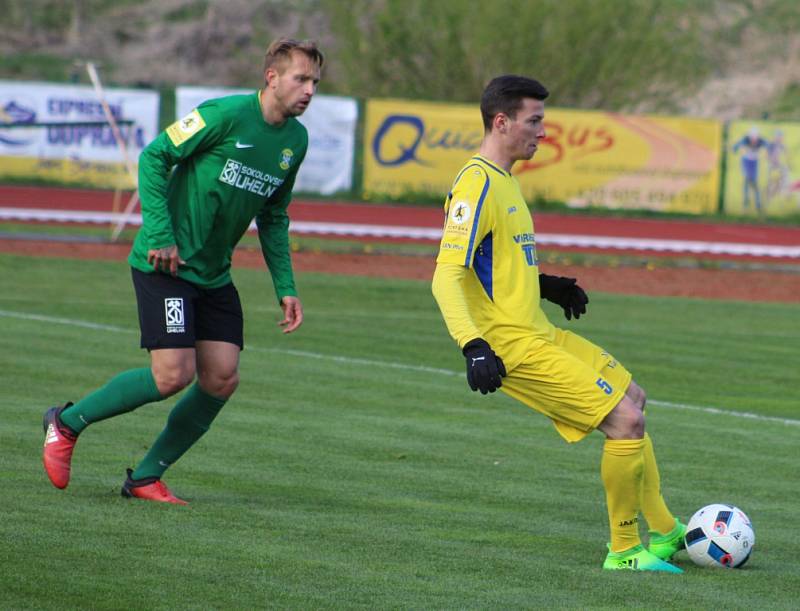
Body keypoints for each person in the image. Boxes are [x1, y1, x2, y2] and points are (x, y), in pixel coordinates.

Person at [42, 37, 323, 505]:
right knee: (172, 374)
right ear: (271, 78)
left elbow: (274, 216)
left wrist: (286, 287)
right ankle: (65, 424)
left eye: (315, 81)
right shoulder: (223, 115)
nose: (309, 89)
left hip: (213, 275)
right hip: (165, 265)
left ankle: (146, 477)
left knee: (221, 379)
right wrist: (160, 233)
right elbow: (155, 156)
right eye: (301, 78)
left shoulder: (296, 141)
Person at [431, 75, 686, 572]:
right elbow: (446, 273)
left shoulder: (505, 180)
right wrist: (473, 345)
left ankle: (666, 531)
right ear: (501, 122)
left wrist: (545, 284)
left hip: (539, 331)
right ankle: (625, 551)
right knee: (625, 423)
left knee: (633, 396)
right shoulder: (476, 182)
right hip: (512, 345)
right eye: (535, 120)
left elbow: (496, 260)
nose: (543, 131)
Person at [732, 126, 769, 213]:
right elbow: (736, 145)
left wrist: (768, 152)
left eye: (755, 138)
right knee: (747, 179)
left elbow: (768, 145)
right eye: (752, 137)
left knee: (754, 182)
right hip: (746, 161)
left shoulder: (761, 141)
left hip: (754, 162)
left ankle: (757, 203)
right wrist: (735, 149)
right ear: (749, 136)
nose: (753, 140)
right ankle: (746, 201)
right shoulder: (745, 140)